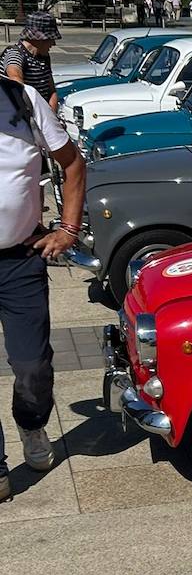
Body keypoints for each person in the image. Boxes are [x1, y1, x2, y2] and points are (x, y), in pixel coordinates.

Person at [0, 69, 86, 501]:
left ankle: (31, 424)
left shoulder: (24, 102)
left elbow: (72, 163)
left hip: (19, 259)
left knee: (32, 367)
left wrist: (68, 229)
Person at [0, 11, 62, 113]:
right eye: (51, 39)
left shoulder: (44, 57)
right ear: (40, 39)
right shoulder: (15, 54)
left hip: (43, 118)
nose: (53, 43)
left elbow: (51, 91)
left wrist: (51, 116)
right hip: (21, 119)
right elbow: (17, 82)